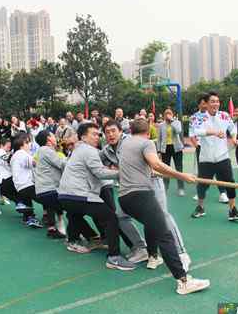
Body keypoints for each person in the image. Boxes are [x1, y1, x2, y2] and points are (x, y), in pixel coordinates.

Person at [118, 118, 210, 295]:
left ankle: (153, 257)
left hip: (125, 199)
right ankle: (183, 281)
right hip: (140, 195)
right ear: (149, 132)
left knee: (153, 225)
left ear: (131, 130)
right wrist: (181, 175)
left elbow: (143, 167)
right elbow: (156, 164)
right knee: (165, 234)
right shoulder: (146, 143)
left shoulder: (126, 143)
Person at [58, 123, 135, 271]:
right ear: (83, 137)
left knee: (74, 213)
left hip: (64, 195)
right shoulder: (89, 150)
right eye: (94, 134)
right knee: (110, 217)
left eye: (99, 134)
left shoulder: (78, 150)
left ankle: (73, 241)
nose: (97, 137)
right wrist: (121, 173)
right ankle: (114, 257)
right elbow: (99, 172)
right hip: (78, 194)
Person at [100, 120, 149, 264]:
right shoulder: (107, 150)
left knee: (156, 219)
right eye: (107, 132)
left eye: (113, 131)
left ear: (121, 131)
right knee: (121, 216)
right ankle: (142, 248)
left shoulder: (130, 143)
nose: (110, 134)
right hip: (126, 188)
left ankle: (176, 252)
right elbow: (95, 163)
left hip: (144, 185)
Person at [191, 91, 238, 221]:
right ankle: (200, 207)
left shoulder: (225, 115)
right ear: (206, 104)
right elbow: (196, 131)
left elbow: (233, 128)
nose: (215, 104)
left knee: (230, 183)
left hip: (222, 157)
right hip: (206, 158)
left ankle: (232, 210)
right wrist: (214, 132)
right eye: (212, 101)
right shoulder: (198, 117)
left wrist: (234, 138)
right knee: (202, 185)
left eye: (217, 101)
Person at [189, 94, 228, 203]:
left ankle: (223, 193)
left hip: (216, 148)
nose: (205, 105)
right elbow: (192, 133)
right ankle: (201, 193)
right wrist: (196, 145)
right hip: (202, 148)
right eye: (203, 103)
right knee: (203, 173)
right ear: (200, 104)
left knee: (220, 171)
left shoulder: (218, 116)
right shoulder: (194, 117)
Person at [34, 130, 68, 238]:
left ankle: (53, 228)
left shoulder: (41, 151)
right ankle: (74, 235)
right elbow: (62, 164)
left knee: (53, 206)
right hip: (49, 189)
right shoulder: (46, 150)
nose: (55, 138)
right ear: (48, 138)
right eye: (53, 135)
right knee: (73, 207)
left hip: (44, 189)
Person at [11, 134, 43, 228]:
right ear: (22, 144)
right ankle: (51, 222)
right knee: (46, 200)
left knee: (27, 203)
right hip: (28, 184)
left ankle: (29, 218)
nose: (30, 145)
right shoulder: (23, 154)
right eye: (27, 142)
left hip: (19, 186)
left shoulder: (14, 156)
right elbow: (34, 163)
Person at [157, 109, 185, 196]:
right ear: (164, 116)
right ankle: (165, 187)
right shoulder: (161, 125)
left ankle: (181, 188)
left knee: (179, 168)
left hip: (176, 148)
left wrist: (172, 121)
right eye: (166, 114)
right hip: (165, 149)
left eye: (169, 114)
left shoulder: (176, 122)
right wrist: (158, 150)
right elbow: (159, 139)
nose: (168, 115)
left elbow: (178, 131)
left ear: (172, 115)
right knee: (165, 169)